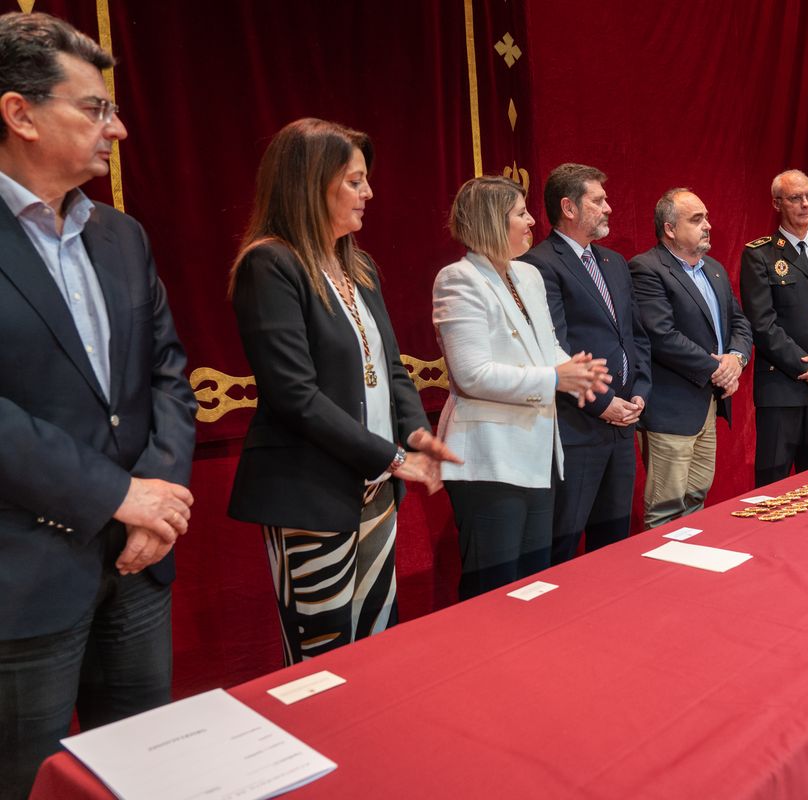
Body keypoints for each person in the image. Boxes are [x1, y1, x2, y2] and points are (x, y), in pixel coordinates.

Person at [0, 13, 196, 797]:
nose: (117, 129)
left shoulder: (122, 236)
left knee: (147, 772)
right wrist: (118, 494)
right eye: (94, 108)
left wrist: (156, 500)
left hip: (139, 562)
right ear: (20, 114)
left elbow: (168, 373)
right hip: (23, 575)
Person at [227, 118, 459, 666]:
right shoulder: (271, 263)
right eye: (355, 181)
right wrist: (392, 457)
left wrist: (416, 435)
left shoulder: (358, 265)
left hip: (375, 492)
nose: (368, 193)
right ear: (311, 184)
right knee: (323, 656)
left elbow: (391, 369)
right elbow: (295, 395)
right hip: (309, 491)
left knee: (377, 644)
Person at [434, 177, 610, 598]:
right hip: (489, 457)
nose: (532, 221)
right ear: (491, 222)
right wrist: (555, 379)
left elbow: (546, 345)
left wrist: (576, 372)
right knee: (493, 588)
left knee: (532, 584)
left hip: (536, 453)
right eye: (520, 213)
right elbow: (472, 374)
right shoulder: (458, 279)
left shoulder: (528, 274)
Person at [522, 164, 651, 564]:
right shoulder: (540, 264)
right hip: (577, 427)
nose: (608, 208)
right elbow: (554, 348)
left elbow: (636, 336)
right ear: (569, 207)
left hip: (624, 423)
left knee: (613, 546)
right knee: (562, 547)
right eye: (598, 200)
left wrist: (639, 392)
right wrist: (604, 403)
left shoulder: (614, 262)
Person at [630, 188, 752, 528]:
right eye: (697, 220)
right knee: (666, 508)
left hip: (707, 405)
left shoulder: (714, 269)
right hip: (670, 409)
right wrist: (718, 369)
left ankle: (688, 559)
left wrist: (736, 359)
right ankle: (662, 562)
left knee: (697, 497)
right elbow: (661, 335)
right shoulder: (647, 268)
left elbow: (739, 322)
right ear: (670, 229)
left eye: (706, 218)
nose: (708, 226)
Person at [739, 169, 808, 485]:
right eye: (795, 198)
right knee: (773, 484)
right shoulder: (760, 255)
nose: (805, 204)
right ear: (777, 204)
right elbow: (762, 324)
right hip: (782, 390)